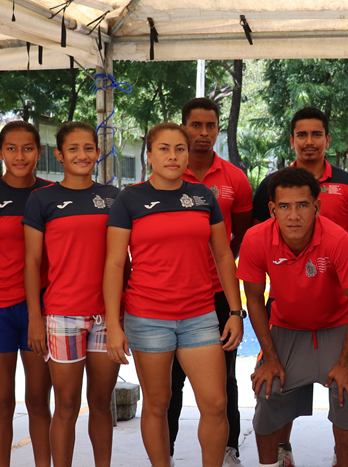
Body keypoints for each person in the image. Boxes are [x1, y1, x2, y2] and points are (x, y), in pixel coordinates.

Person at [104, 123, 244, 467]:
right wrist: (113, 323)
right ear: (148, 155)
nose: (173, 155)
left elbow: (224, 255)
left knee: (215, 403)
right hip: (148, 317)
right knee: (158, 403)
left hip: (199, 316)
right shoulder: (129, 199)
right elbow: (114, 262)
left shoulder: (202, 196)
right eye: (164, 148)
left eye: (179, 148)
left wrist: (236, 312)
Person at [251, 106, 348, 465]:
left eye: (303, 205)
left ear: (317, 207)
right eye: (285, 207)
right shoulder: (258, 240)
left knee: (346, 395)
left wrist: (347, 361)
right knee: (268, 391)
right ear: (272, 209)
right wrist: (269, 357)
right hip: (287, 328)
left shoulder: (336, 239)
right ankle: (273, 461)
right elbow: (255, 301)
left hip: (337, 326)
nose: (294, 215)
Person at [23, 122, 122, 467]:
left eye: (89, 147)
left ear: (98, 152)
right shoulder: (42, 199)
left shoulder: (114, 197)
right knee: (66, 405)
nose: (82, 155)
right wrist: (36, 318)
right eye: (74, 148)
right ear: (59, 155)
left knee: (101, 403)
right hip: (62, 314)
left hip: (107, 316)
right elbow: (32, 263)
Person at [169, 98, 254, 467]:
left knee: (224, 382)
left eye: (210, 126)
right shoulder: (167, 174)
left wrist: (220, 268)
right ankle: (165, 451)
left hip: (218, 295)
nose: (203, 134)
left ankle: (229, 448)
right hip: (171, 295)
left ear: (218, 129)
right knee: (170, 385)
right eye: (196, 125)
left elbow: (240, 239)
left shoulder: (235, 178)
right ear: (184, 126)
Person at [0, 120, 53, 467]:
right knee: (1, 403)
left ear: (39, 152)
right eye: (12, 148)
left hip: (41, 308)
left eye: (28, 148)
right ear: (0, 151)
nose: (20, 156)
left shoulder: (50, 194)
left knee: (38, 401)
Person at [253, 107, 348, 253]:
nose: (309, 142)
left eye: (317, 135)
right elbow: (256, 237)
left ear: (327, 139)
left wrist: (336, 262)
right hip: (286, 273)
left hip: (333, 274)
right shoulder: (271, 185)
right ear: (292, 141)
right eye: (302, 135)